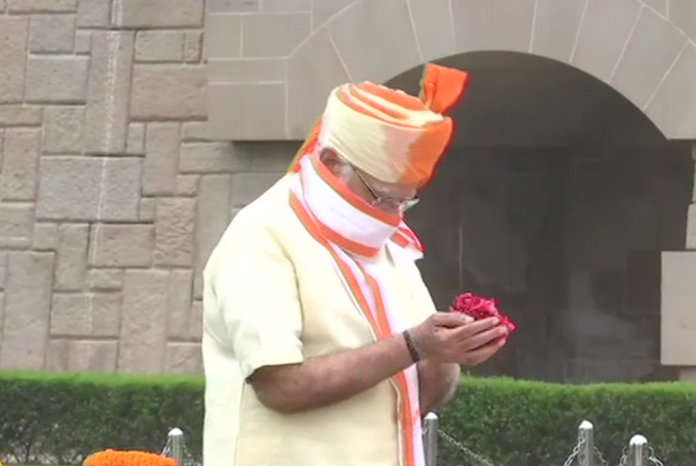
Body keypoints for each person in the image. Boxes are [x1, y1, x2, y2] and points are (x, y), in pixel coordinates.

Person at [201, 63, 510, 466]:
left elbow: (421, 396)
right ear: (330, 162)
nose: (393, 216)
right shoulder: (261, 236)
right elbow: (281, 387)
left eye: (405, 201)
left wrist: (447, 350)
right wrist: (414, 344)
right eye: (381, 197)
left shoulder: (390, 246)